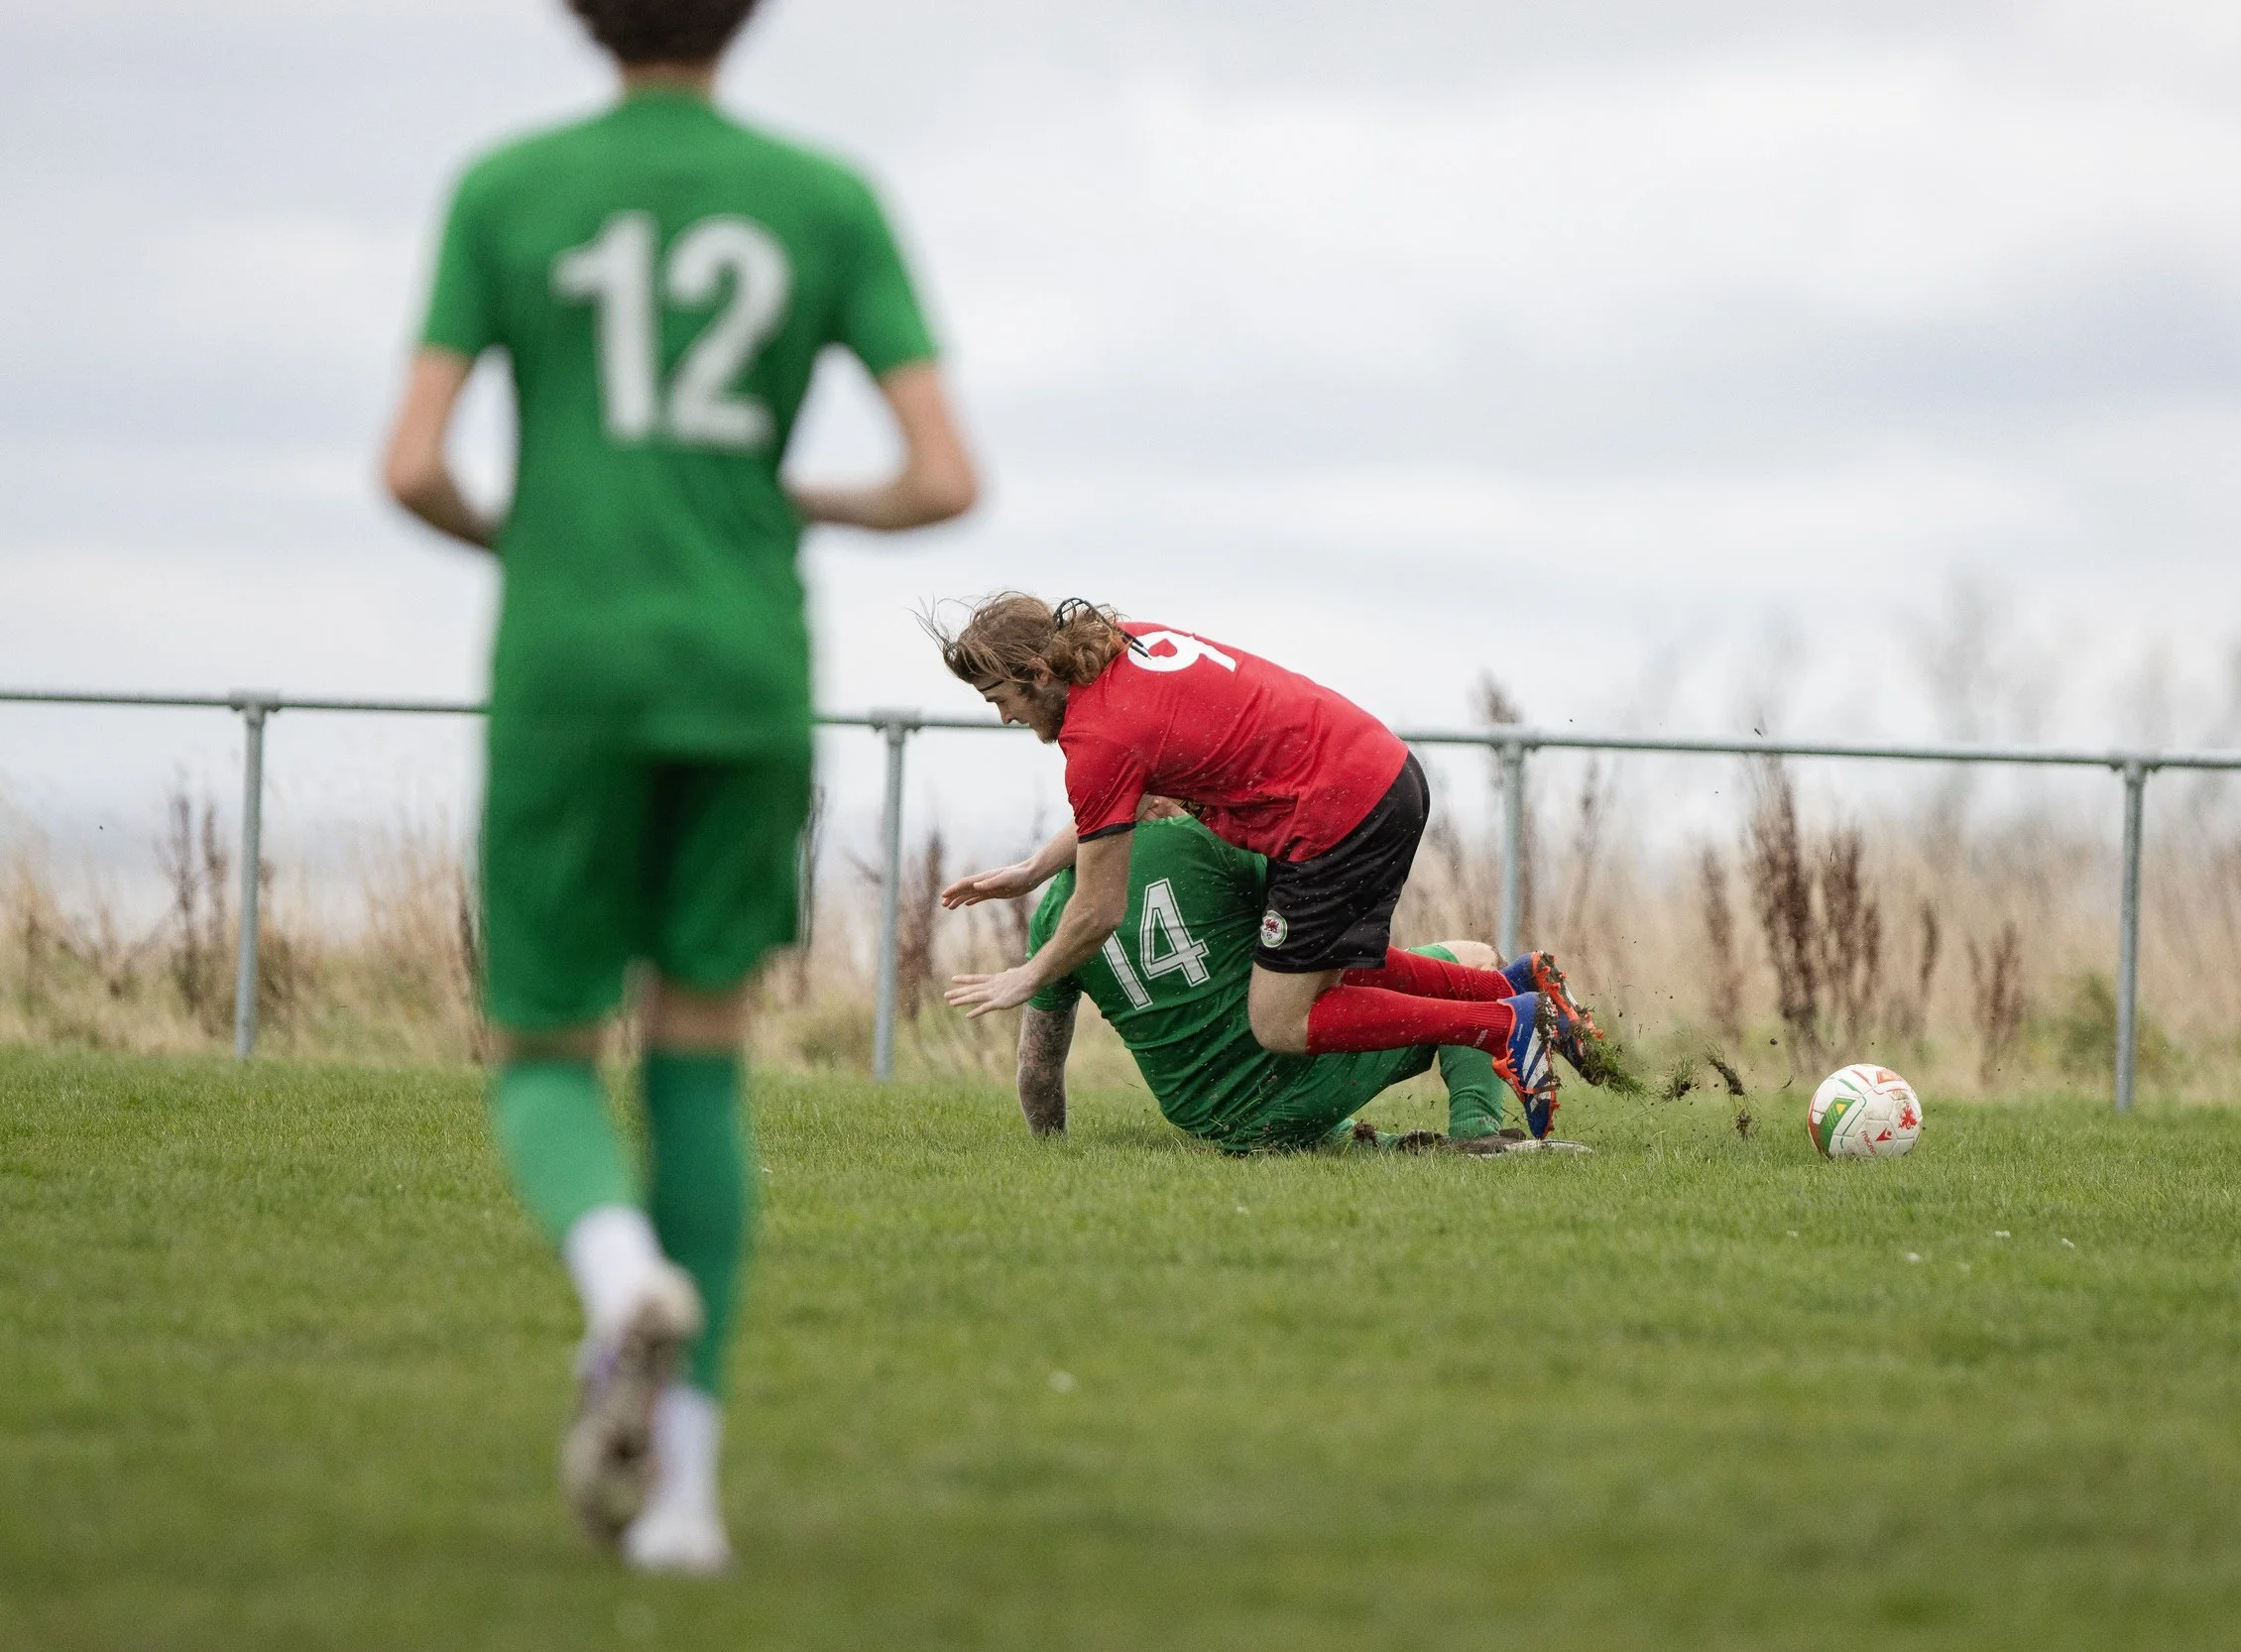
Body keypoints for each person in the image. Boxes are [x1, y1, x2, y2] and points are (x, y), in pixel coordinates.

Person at [379, 0, 976, 1574]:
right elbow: (945, 477)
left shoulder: (506, 189)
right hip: (743, 665)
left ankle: (617, 1267)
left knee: (541, 1051)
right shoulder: (824, 198)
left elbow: (412, 464)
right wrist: (791, 496)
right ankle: (690, 1506)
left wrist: (542, 537)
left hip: (569, 667)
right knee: (702, 1055)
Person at [934, 597, 1618, 1130]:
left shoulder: (1096, 738)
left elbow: (1098, 910)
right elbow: (1120, 800)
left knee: (1281, 1021)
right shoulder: (1122, 645)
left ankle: (1505, 1024)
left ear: (1038, 673)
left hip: (1335, 816)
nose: (1002, 717)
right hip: (1379, 773)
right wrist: (1030, 870)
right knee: (1328, 975)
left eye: (1001, 698)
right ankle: (1516, 989)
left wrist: (1027, 975)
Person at [1017, 810, 1583, 1154]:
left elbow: (1037, 1065)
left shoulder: (1051, 919)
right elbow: (1324, 933)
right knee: (1474, 959)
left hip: (1217, 1124)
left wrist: (1052, 1150)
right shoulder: (1196, 841)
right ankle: (1476, 1136)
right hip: (1291, 1075)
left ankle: (1351, 1142)